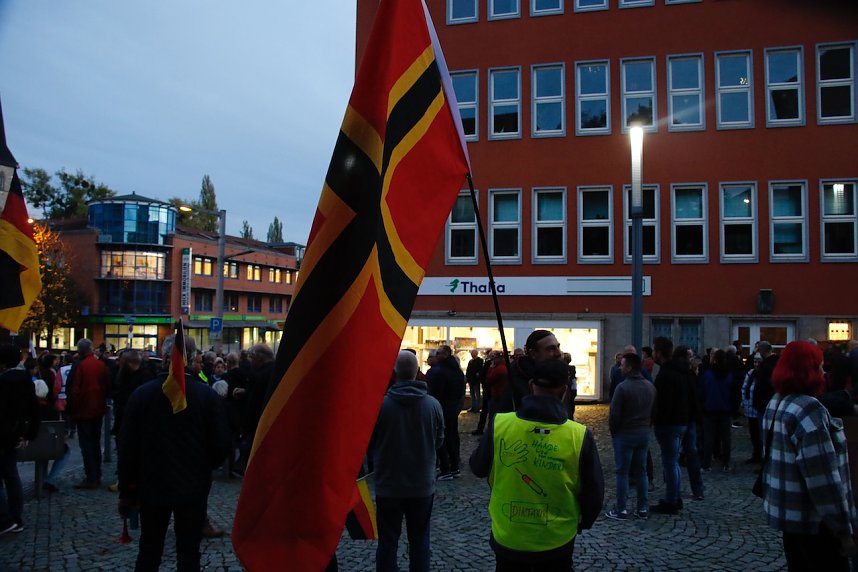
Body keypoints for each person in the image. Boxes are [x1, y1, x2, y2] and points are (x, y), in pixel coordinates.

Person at [470, 359, 604, 571]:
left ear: (532, 386)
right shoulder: (579, 435)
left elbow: (477, 467)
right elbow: (594, 492)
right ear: (565, 391)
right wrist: (583, 522)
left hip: (509, 535)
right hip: (556, 539)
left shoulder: (500, 424)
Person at [118, 333, 231, 572]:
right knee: (189, 552)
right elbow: (221, 444)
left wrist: (127, 488)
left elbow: (127, 447)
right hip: (192, 483)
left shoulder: (142, 395)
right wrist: (203, 466)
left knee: (149, 548)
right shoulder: (206, 396)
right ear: (192, 358)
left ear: (164, 357)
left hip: (151, 482)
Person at [761, 341, 858, 571]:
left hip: (790, 518)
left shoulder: (776, 402)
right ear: (809, 371)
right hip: (816, 523)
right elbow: (823, 480)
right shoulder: (809, 410)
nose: (825, 373)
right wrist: (844, 530)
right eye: (820, 367)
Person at [370, 350, 444, 572]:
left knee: (387, 541)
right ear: (417, 372)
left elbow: (370, 443)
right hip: (421, 484)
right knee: (420, 540)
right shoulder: (433, 406)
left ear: (394, 373)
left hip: (388, 484)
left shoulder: (381, 407)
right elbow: (439, 441)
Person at [606, 352, 656, 520]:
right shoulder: (650, 386)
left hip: (625, 434)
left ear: (629, 367)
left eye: (623, 365)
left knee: (622, 472)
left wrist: (614, 432)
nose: (620, 367)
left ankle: (622, 509)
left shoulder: (622, 388)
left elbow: (614, 415)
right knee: (641, 471)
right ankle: (642, 507)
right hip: (643, 433)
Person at [0, 343, 39, 535]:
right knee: (11, 475)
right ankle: (15, 516)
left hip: (3, 433)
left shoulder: (3, 382)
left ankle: (5, 519)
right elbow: (33, 411)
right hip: (17, 434)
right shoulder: (26, 380)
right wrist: (28, 434)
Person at [650, 336, 692, 515]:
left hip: (669, 423)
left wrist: (656, 420)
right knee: (673, 462)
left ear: (659, 353)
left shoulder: (665, 375)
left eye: (654, 351)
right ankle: (675, 496)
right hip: (681, 421)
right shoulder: (682, 371)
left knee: (669, 462)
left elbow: (663, 403)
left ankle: (671, 500)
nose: (652, 353)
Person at [68, 338, 110, 489]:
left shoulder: (80, 365)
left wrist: (72, 410)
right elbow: (107, 386)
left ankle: (91, 476)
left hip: (83, 410)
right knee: (95, 443)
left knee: (87, 445)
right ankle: (96, 474)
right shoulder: (100, 365)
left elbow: (74, 390)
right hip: (97, 409)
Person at [429, 345, 465, 481]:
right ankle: (454, 467)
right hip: (453, 407)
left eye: (438, 353)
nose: (436, 355)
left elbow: (437, 391)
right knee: (452, 437)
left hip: (443, 408)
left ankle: (446, 468)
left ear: (445, 354)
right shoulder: (456, 370)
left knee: (442, 438)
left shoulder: (441, 371)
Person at [700, 349, 733, 473]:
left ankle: (706, 464)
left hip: (709, 410)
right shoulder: (729, 375)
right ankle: (726, 463)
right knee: (726, 438)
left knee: (709, 439)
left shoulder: (707, 375)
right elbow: (733, 393)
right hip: (725, 410)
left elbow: (702, 391)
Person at [466, 349, 484, 413]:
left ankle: (477, 408)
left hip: (476, 380)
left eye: (473, 353)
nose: (472, 355)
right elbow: (468, 370)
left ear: (476, 353)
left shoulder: (480, 361)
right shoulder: (470, 361)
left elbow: (481, 370)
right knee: (473, 395)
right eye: (471, 353)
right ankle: (473, 407)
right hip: (471, 380)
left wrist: (478, 375)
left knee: (476, 395)